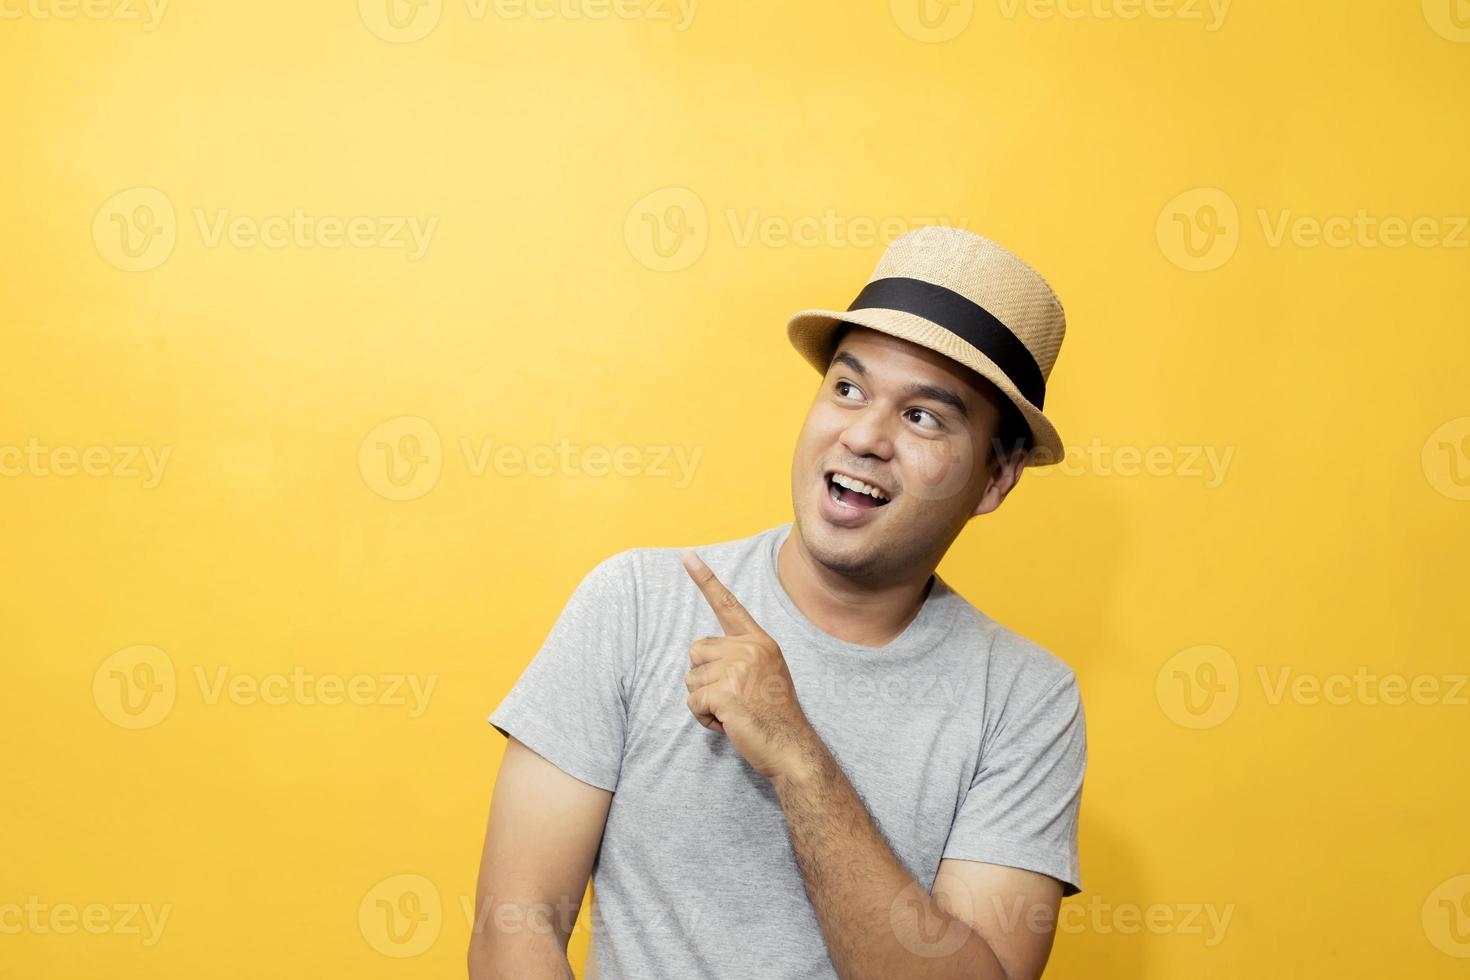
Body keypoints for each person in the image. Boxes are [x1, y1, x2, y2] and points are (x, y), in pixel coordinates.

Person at [468, 226, 1086, 980]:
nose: (863, 436)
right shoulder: (634, 603)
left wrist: (797, 758)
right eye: (848, 388)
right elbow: (514, 929)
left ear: (996, 478)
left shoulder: (1025, 701)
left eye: (923, 416)